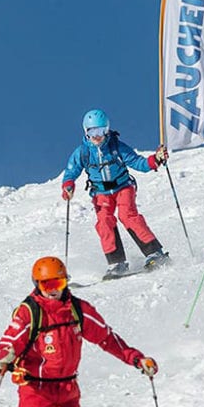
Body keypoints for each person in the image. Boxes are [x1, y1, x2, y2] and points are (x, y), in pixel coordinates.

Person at [0, 256, 158, 407]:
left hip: (68, 391)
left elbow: (106, 338)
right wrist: (3, 357)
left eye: (59, 283)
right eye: (46, 285)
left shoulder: (77, 310)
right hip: (36, 391)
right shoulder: (30, 312)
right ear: (37, 285)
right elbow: (10, 341)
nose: (53, 290)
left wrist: (137, 359)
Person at [62, 109, 170, 279]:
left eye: (101, 131)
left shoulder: (116, 146)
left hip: (123, 187)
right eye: (92, 132)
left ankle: (155, 253)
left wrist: (155, 159)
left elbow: (137, 162)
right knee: (104, 221)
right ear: (86, 132)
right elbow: (71, 172)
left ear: (107, 130)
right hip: (101, 193)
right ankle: (116, 262)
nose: (97, 136)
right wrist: (68, 185)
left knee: (128, 216)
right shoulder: (83, 152)